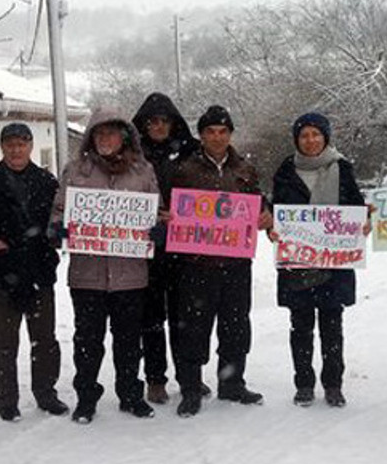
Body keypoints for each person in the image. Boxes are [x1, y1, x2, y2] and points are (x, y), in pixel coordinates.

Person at [49, 108, 159, 424]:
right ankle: (86, 397)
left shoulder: (142, 171)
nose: (104, 139)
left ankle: (130, 394)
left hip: (130, 274)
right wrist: (58, 229)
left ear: (124, 137)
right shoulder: (76, 170)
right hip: (87, 274)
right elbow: (59, 210)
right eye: (98, 134)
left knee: (128, 340)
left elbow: (157, 211)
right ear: (90, 137)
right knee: (87, 341)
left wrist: (157, 229)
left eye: (110, 133)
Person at [170, 104, 274, 417]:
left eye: (223, 131)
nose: (217, 137)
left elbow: (257, 200)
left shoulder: (245, 168)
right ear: (201, 135)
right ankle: (190, 389)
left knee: (236, 328)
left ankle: (232, 383)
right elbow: (168, 207)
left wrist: (265, 212)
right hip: (196, 265)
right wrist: (168, 217)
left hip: (236, 265)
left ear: (230, 135)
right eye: (210, 132)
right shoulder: (184, 169)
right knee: (194, 330)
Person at [0, 122, 69, 421]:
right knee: (3, 341)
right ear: (2, 147)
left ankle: (46, 392)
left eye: (22, 144)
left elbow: (59, 219)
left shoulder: (47, 181)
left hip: (39, 269)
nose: (16, 150)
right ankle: (6, 398)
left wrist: (59, 235)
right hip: (5, 272)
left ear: (30, 146)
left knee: (44, 339)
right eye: (10, 144)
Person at [270, 112, 364, 408]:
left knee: (332, 326)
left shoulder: (342, 169)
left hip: (333, 263)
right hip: (298, 262)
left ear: (325, 137)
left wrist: (363, 223)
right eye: (304, 135)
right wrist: (274, 227)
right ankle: (304, 383)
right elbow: (277, 211)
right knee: (300, 326)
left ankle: (333, 384)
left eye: (316, 134)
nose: (310, 140)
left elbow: (355, 208)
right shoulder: (285, 171)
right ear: (296, 140)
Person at [130, 92, 200, 405]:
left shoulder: (191, 152)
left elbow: (214, 190)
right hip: (146, 249)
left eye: (163, 121)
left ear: (173, 123)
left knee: (185, 318)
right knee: (152, 318)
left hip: (185, 249)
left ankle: (189, 377)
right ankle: (156, 378)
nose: (158, 126)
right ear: (143, 125)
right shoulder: (132, 155)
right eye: (152, 121)